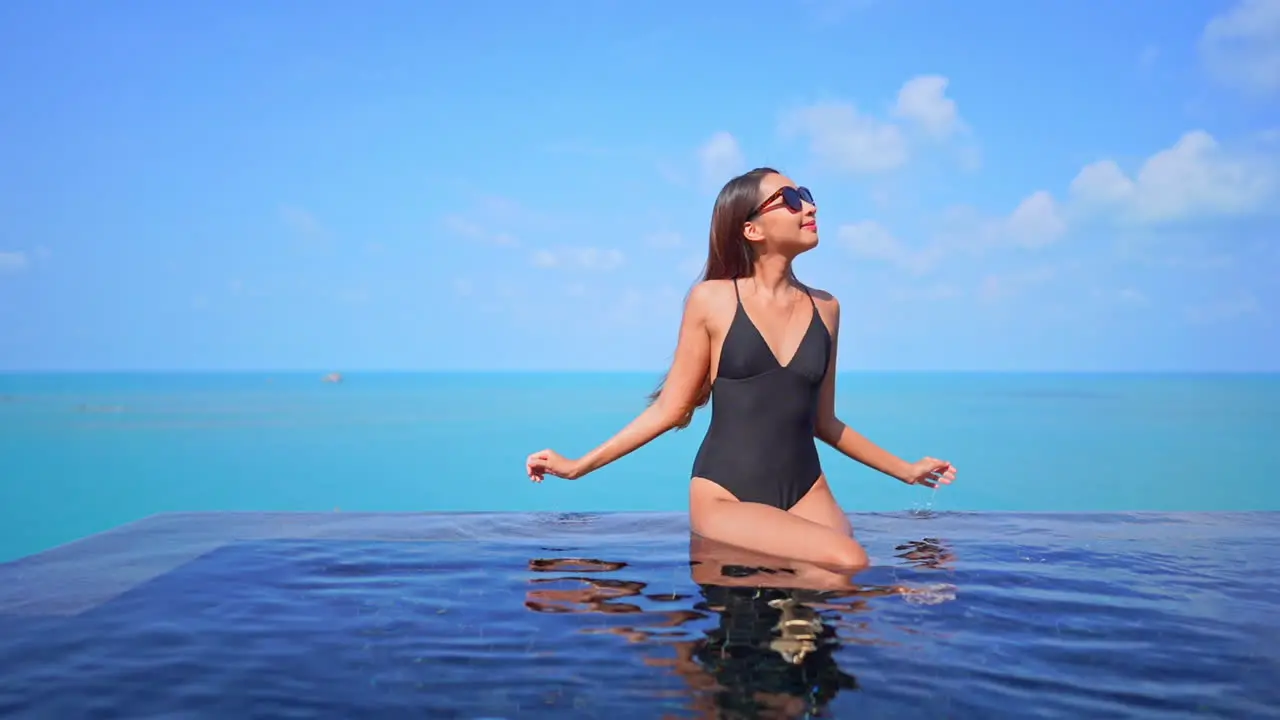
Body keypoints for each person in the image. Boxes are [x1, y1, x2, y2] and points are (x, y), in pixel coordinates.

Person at [525, 167, 957, 573]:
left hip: (808, 490)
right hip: (725, 493)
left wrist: (907, 470)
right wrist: (578, 466)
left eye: (806, 196)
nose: (809, 207)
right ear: (752, 230)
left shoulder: (827, 308)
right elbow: (671, 410)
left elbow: (824, 422)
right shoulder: (711, 300)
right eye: (789, 199)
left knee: (839, 589)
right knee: (847, 561)